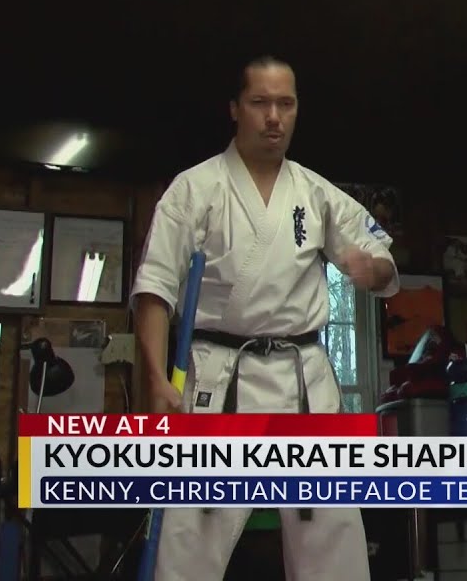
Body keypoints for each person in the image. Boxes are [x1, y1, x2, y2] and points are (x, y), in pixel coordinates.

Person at [130, 56, 400, 581]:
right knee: (190, 541)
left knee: (333, 539)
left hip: (304, 378)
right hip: (219, 374)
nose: (274, 117)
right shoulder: (194, 189)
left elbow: (381, 257)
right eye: (260, 103)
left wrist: (374, 269)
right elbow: (155, 289)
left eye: (286, 104)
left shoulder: (316, 193)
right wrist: (158, 378)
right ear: (235, 109)